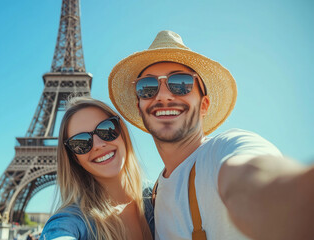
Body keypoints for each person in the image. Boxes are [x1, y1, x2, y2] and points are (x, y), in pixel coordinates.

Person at [108, 30, 314, 240]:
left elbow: (254, 178)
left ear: (204, 104)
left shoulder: (224, 150)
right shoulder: (156, 195)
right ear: (140, 106)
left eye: (181, 83)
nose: (163, 95)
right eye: (147, 87)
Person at [40, 97, 154, 240]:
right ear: (75, 158)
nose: (98, 144)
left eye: (107, 129)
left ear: (122, 132)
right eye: (80, 142)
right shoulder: (72, 221)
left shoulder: (161, 197)